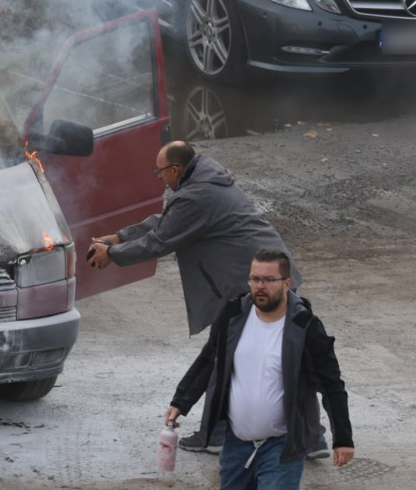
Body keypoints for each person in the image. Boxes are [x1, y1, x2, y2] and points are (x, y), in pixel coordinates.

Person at [86, 140, 316, 455]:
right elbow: (167, 221)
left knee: (227, 356)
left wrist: (112, 254)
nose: (159, 178)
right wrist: (119, 237)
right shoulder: (201, 181)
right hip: (263, 275)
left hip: (252, 283)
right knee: (242, 353)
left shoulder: (197, 194)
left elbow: (160, 240)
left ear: (175, 169)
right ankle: (307, 437)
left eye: (160, 172)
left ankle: (220, 434)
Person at [163, 250, 354, 488]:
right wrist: (181, 401)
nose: (259, 286)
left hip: (283, 447)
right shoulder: (232, 315)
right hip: (236, 445)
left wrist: (343, 438)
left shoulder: (305, 327)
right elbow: (209, 360)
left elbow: (332, 384)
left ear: (286, 283)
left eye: (268, 280)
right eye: (254, 279)